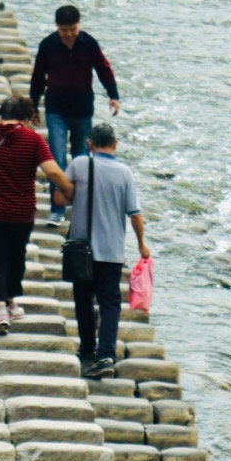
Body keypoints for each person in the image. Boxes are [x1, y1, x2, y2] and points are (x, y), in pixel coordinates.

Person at [0, 93, 70, 335]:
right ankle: (8, 303)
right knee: (16, 256)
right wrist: (70, 191)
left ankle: (1, 307)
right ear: (27, 117)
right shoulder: (33, 139)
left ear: (2, 115)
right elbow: (54, 173)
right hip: (20, 210)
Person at [59, 118, 148, 377]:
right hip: (111, 250)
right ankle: (106, 355)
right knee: (110, 303)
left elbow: (60, 197)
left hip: (81, 247)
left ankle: (87, 347)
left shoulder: (79, 164)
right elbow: (135, 214)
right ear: (115, 145)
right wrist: (142, 244)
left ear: (90, 144)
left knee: (83, 299)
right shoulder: (125, 173)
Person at [30, 2, 119, 208]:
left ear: (78, 25)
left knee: (81, 160)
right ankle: (58, 207)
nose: (69, 34)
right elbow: (38, 77)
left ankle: (79, 205)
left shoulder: (89, 43)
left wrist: (113, 95)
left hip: (82, 110)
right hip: (56, 110)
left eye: (73, 29)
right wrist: (34, 107)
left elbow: (103, 69)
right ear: (56, 26)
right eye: (64, 30)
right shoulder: (48, 45)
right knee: (57, 158)